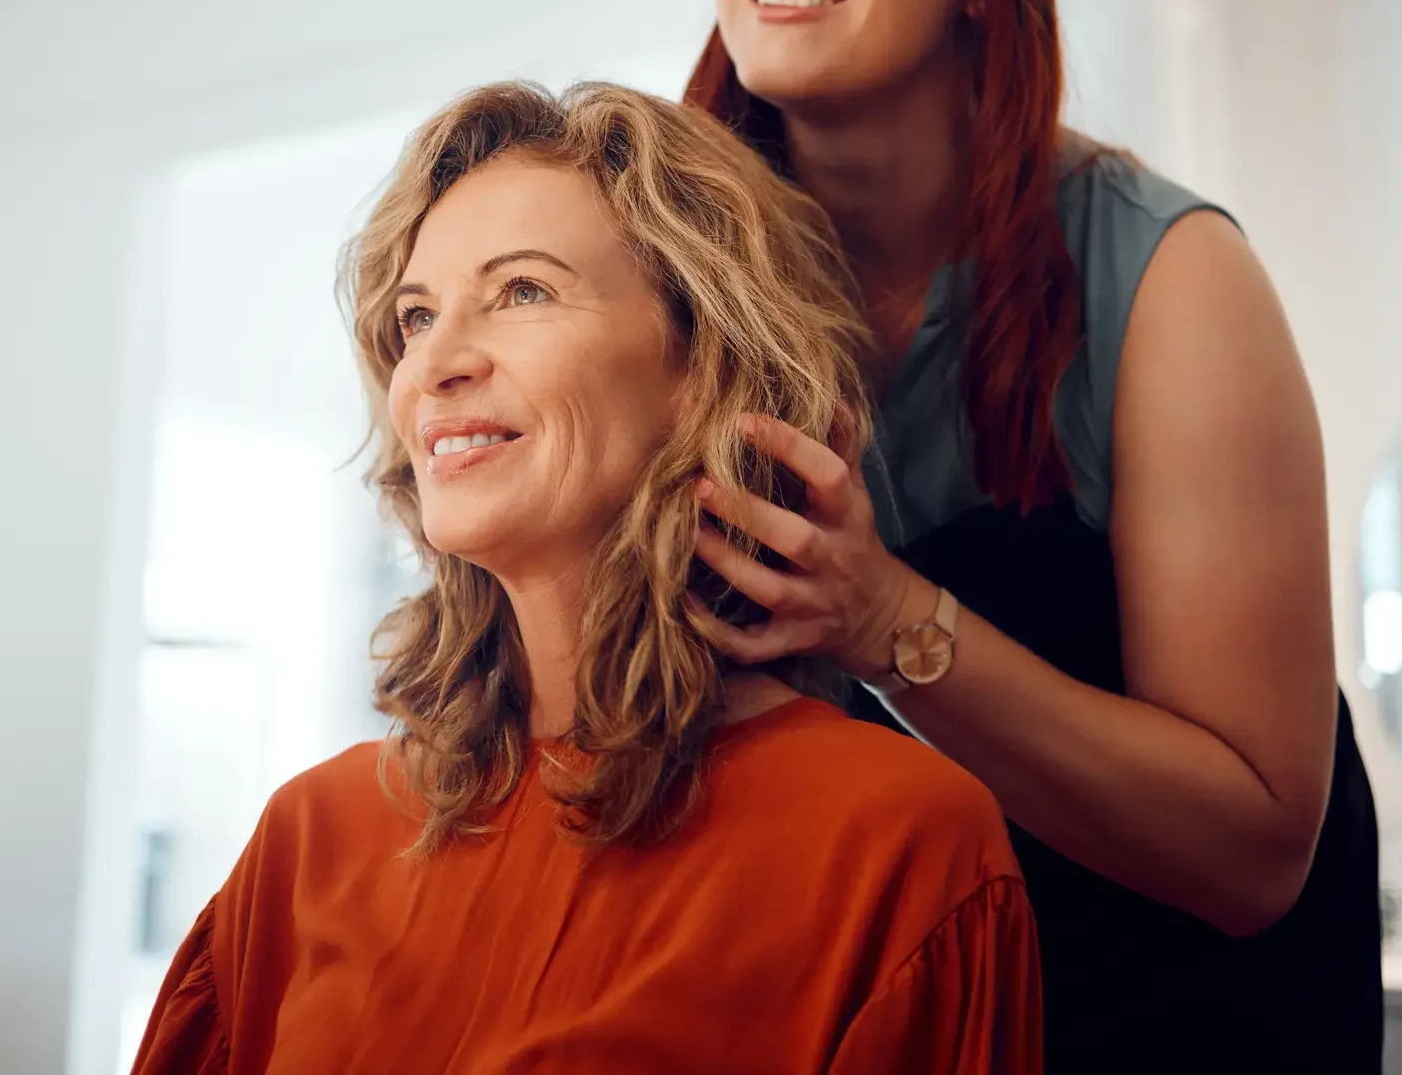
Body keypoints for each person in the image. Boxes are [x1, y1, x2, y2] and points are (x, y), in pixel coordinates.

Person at [680, 0, 1382, 1073]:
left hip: (1193, 1016)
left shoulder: (1169, 277)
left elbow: (1252, 849)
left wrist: (886, 618)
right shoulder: (678, 289)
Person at [131, 81, 1044, 1074]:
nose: (434, 363)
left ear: (702, 362)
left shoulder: (896, 843)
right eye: (414, 316)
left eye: (521, 290)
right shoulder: (308, 839)